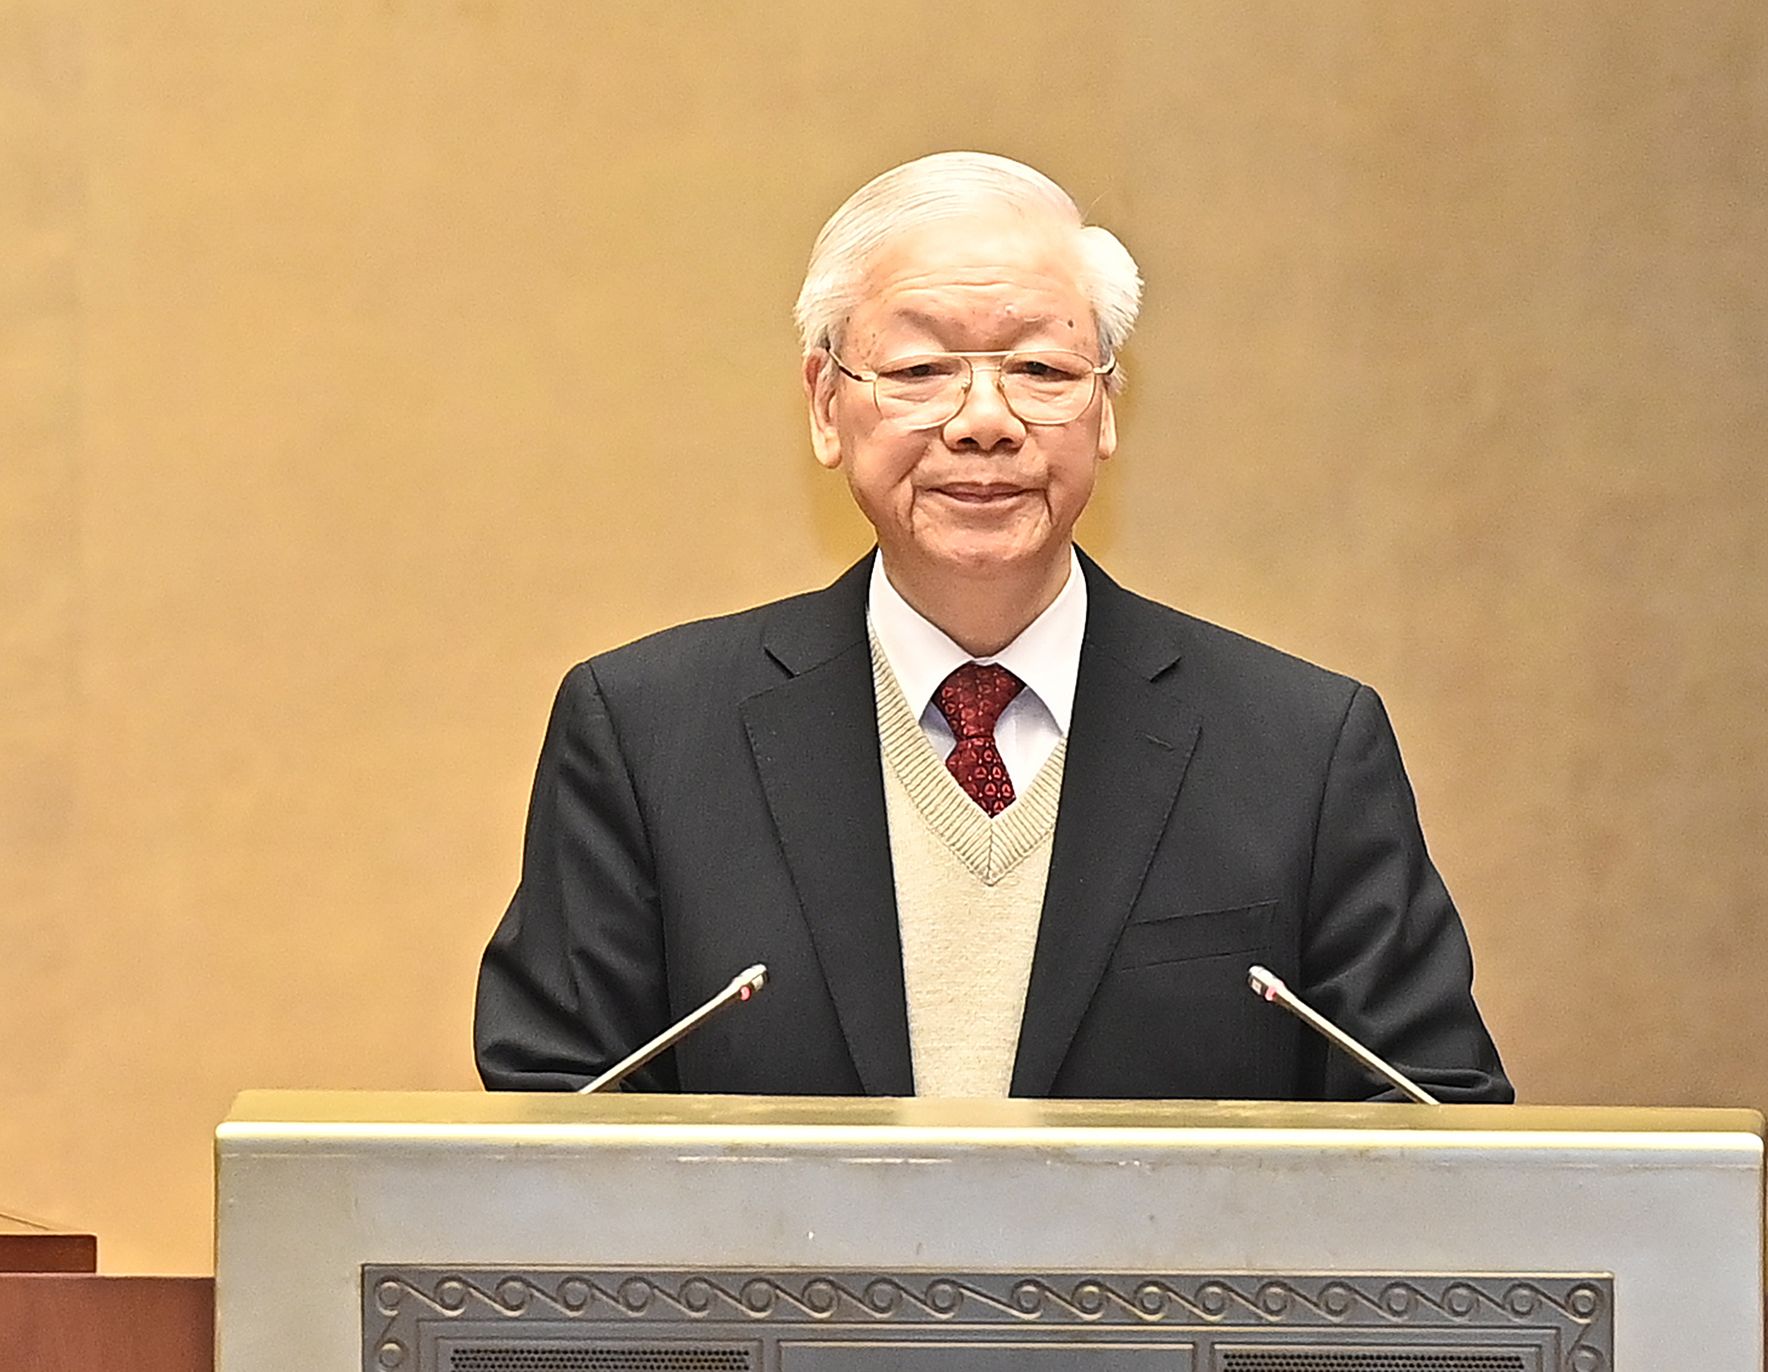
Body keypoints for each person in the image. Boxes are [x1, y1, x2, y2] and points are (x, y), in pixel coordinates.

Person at [474, 152, 1512, 1103]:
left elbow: (1429, 1123)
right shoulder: (647, 734)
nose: (984, 420)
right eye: (920, 371)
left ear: (1106, 408)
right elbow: (550, 1119)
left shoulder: (1301, 747)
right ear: (827, 405)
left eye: (1042, 372)